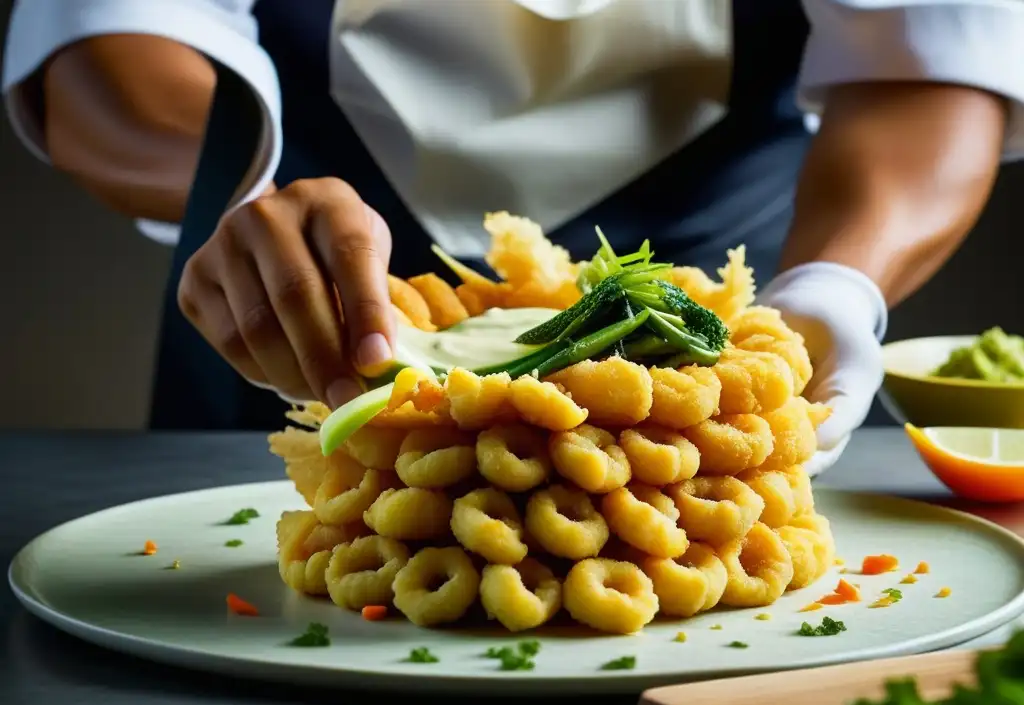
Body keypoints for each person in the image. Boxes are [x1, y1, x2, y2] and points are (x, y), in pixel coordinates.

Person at [4, 1, 1022, 476]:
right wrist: (239, 192)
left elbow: (926, 52)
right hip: (299, 306)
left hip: (723, 276)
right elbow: (105, 39)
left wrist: (836, 284)